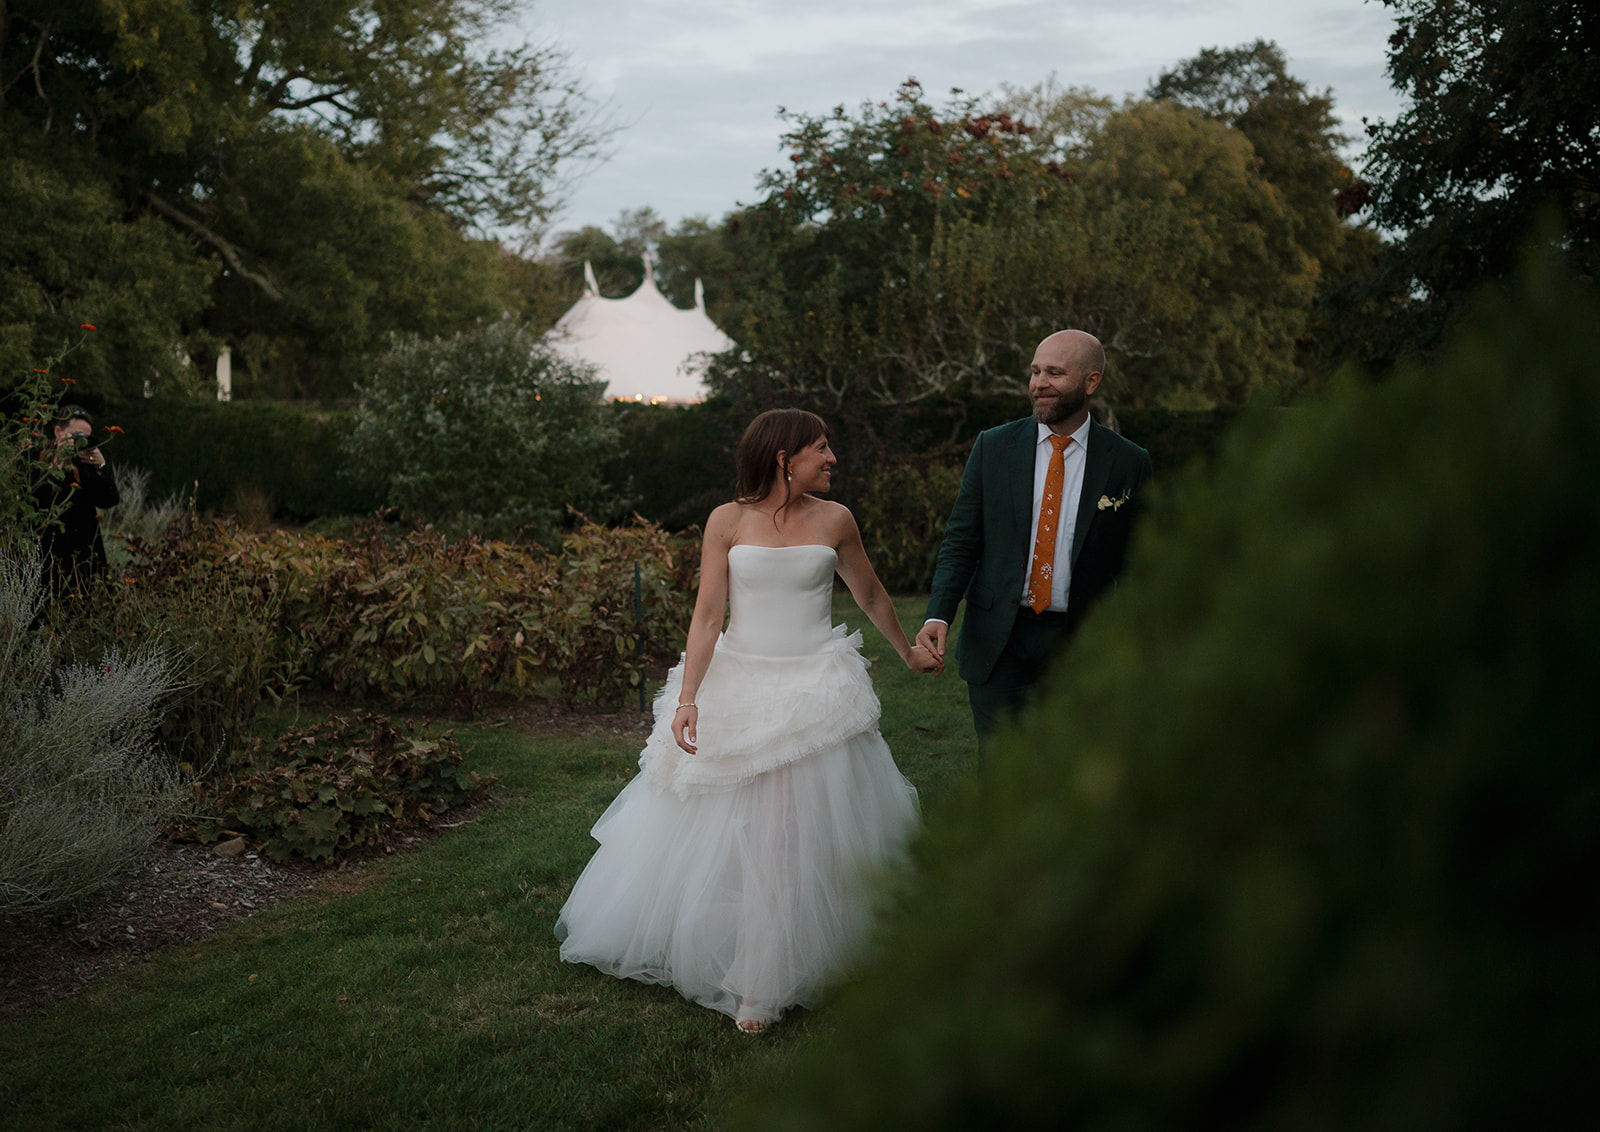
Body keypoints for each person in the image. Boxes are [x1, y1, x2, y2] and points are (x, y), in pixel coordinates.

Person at [556, 409, 939, 1033]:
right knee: (747, 835)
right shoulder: (726, 521)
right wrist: (688, 699)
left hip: (814, 688)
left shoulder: (836, 520)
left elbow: (869, 593)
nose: (833, 457)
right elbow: (708, 615)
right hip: (743, 681)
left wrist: (910, 653)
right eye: (821, 448)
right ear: (786, 458)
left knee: (788, 834)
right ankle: (752, 961)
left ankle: (763, 978)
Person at [916, 330, 1153, 742]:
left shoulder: (1128, 462)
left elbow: (1141, 562)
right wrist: (939, 613)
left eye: (1055, 373)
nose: (1039, 383)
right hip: (998, 639)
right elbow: (961, 540)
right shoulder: (994, 447)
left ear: (1091, 382)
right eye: (1035, 371)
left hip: (1079, 642)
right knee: (1002, 770)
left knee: (1070, 772)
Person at [31, 405, 120, 595]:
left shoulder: (85, 464)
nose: (81, 441)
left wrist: (101, 465)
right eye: (76, 435)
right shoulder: (36, 457)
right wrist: (60, 462)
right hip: (46, 554)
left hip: (84, 556)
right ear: (58, 432)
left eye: (85, 437)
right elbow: (37, 497)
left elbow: (110, 499)